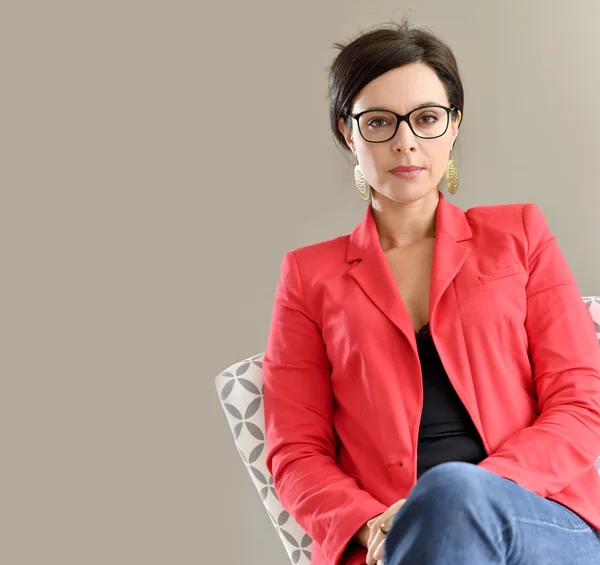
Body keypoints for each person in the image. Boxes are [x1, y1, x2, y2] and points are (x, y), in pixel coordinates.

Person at [262, 20, 600, 565]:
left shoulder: (520, 235)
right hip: (389, 539)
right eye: (378, 122)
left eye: (425, 118)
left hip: (540, 520)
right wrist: (373, 525)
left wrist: (465, 495)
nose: (405, 140)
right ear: (348, 134)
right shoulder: (308, 277)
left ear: (454, 125)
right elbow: (295, 451)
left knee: (452, 494)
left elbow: (581, 404)